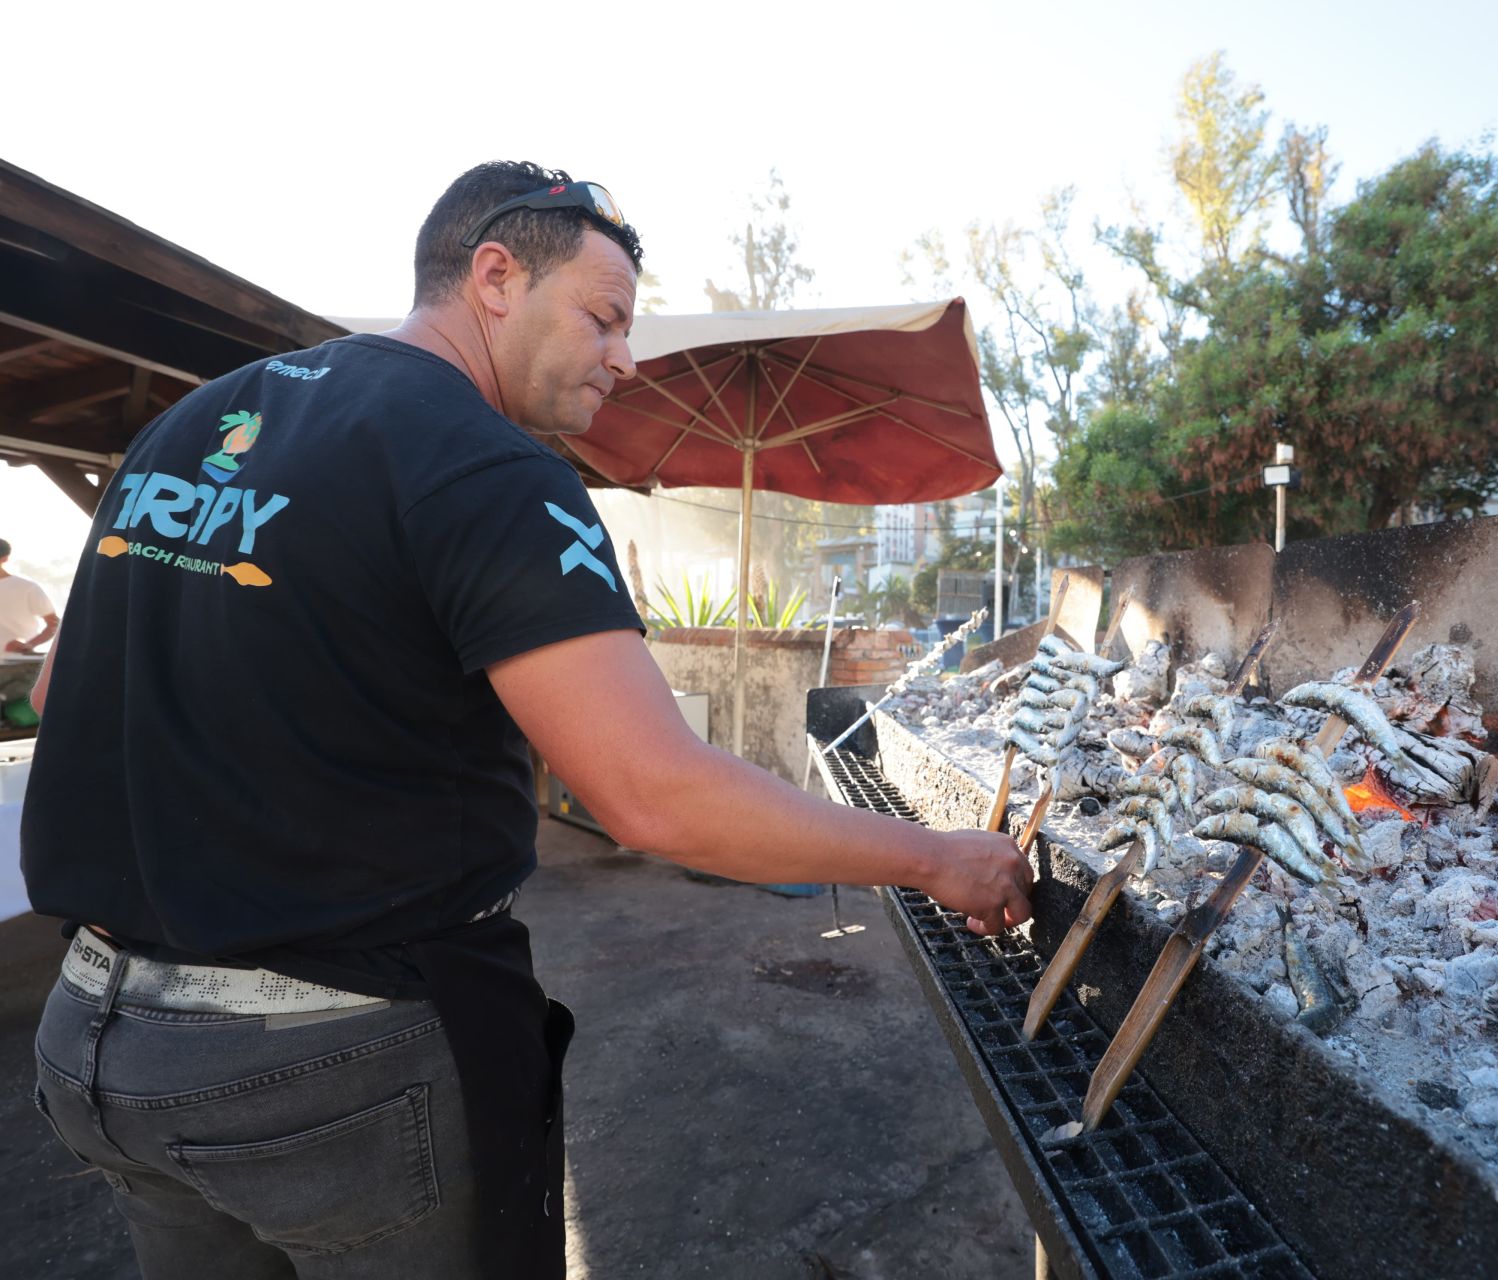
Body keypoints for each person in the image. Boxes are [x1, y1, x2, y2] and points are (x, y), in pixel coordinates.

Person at [22, 161, 1031, 1280]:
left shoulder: (191, 423)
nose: (626, 358)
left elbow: (63, 698)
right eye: (603, 316)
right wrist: (936, 856)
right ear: (495, 275)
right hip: (330, 1076)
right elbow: (653, 796)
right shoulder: (490, 468)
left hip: (99, 1046)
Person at [0, 538, 59, 653]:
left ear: (5, 558)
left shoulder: (27, 588)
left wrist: (28, 645)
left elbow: (54, 624)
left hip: (16, 664)